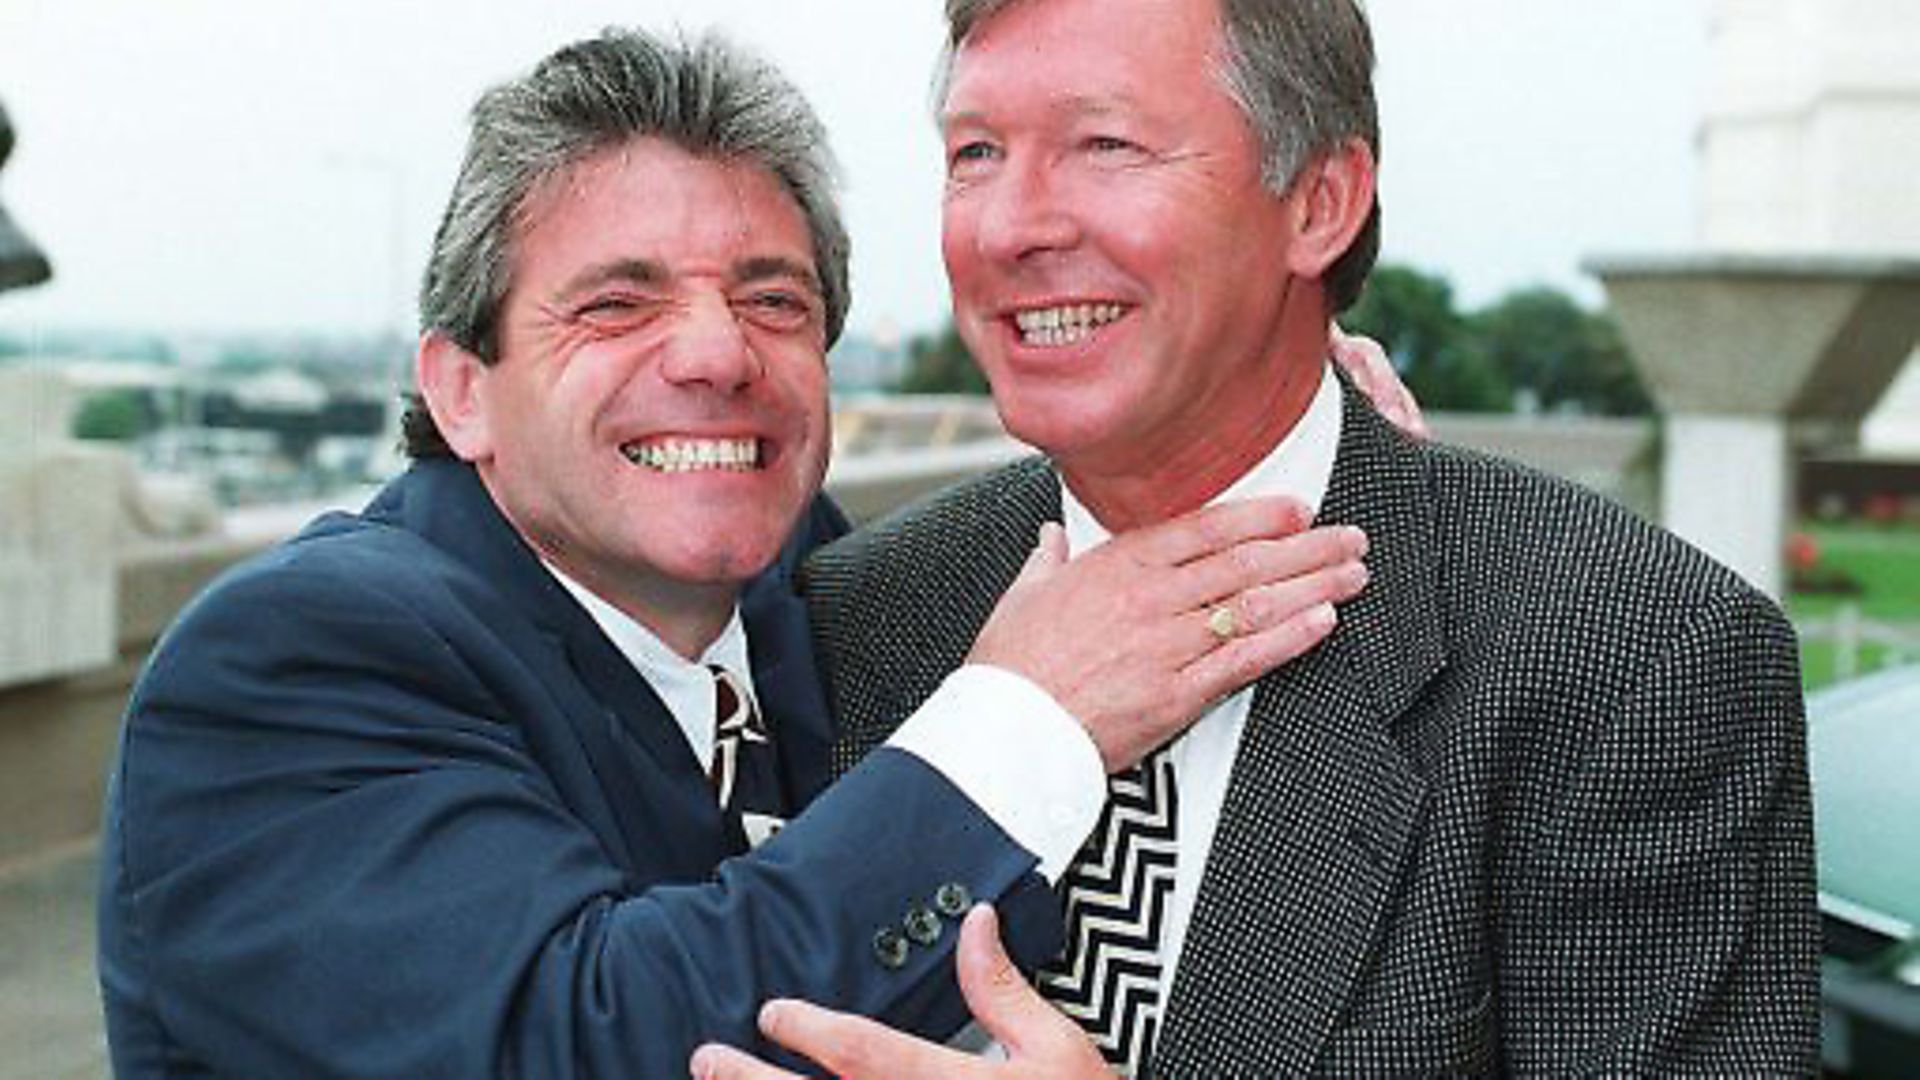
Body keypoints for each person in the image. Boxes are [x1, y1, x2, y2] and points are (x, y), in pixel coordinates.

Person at [94, 27, 1385, 1080]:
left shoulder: (792, 597)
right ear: (461, 391)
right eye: (618, 302)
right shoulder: (286, 672)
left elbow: (1047, 559)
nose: (715, 356)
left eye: (774, 300)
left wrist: (1255, 410)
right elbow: (592, 1042)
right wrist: (1025, 726)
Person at [696, 0, 1820, 1075]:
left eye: (1106, 144)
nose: (1013, 225)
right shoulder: (861, 610)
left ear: (1320, 202)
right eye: (975, 152)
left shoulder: (1635, 656)